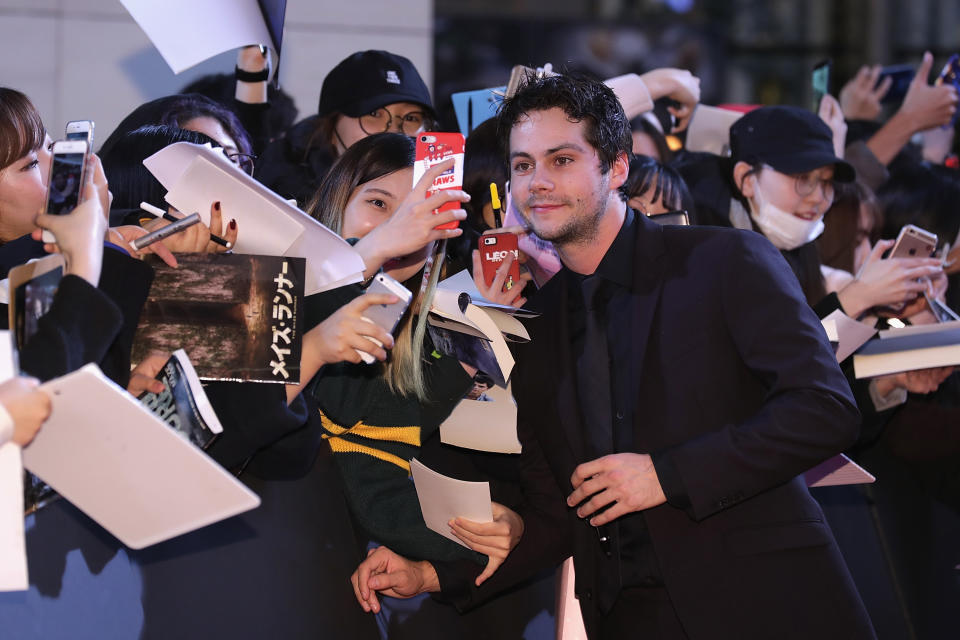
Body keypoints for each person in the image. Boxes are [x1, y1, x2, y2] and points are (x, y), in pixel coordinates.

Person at [352, 71, 876, 639]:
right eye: (524, 165)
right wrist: (432, 573)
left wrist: (666, 475)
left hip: (764, 604)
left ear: (618, 166)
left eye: (562, 160)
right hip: (626, 617)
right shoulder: (538, 326)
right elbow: (559, 512)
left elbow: (825, 410)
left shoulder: (724, 260)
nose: (538, 183)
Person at [257, 50, 436, 207]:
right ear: (332, 122)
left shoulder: (439, 194)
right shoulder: (275, 191)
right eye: (374, 114)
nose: (394, 132)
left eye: (411, 118)